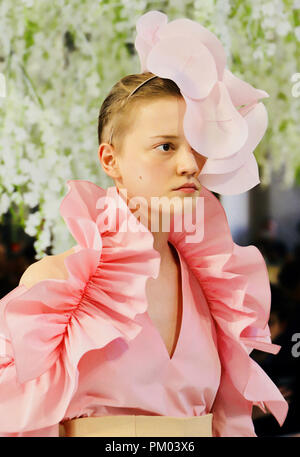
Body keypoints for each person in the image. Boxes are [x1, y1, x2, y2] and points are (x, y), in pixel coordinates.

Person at [0, 10, 288, 437]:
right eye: (165, 146)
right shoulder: (54, 290)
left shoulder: (219, 293)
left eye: (195, 146)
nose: (190, 164)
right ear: (110, 160)